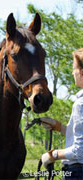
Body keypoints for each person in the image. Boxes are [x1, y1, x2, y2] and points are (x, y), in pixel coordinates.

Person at [41, 48, 83, 180]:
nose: (72, 73)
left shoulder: (80, 104)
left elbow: (80, 151)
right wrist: (58, 126)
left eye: (74, 69)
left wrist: (54, 155)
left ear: (82, 73)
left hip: (77, 172)